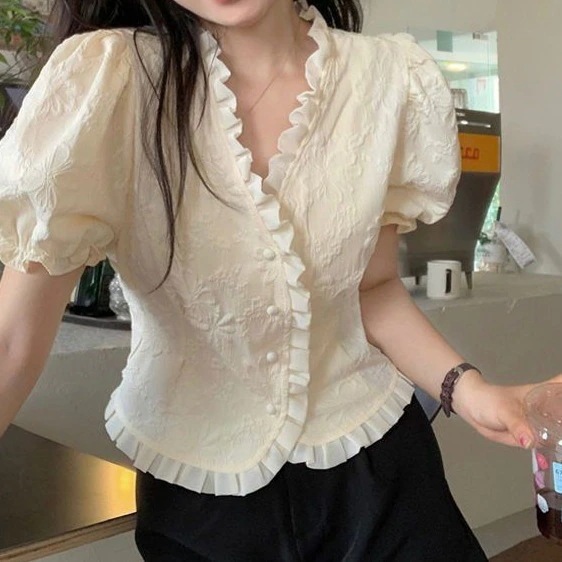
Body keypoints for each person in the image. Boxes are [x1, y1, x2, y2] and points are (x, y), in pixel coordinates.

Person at [0, 0, 558, 560]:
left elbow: (373, 290)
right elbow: (10, 342)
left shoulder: (387, 77)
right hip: (199, 489)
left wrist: (471, 391)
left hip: (376, 462)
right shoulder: (112, 80)